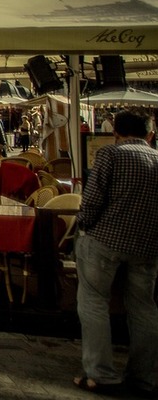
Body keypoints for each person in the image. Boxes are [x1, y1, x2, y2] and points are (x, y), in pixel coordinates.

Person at [72, 108, 158, 395]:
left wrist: (83, 226)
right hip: (146, 245)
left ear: (116, 132)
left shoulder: (111, 154)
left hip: (105, 240)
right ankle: (144, 377)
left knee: (93, 302)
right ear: (150, 134)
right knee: (144, 308)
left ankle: (100, 374)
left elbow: (92, 199)